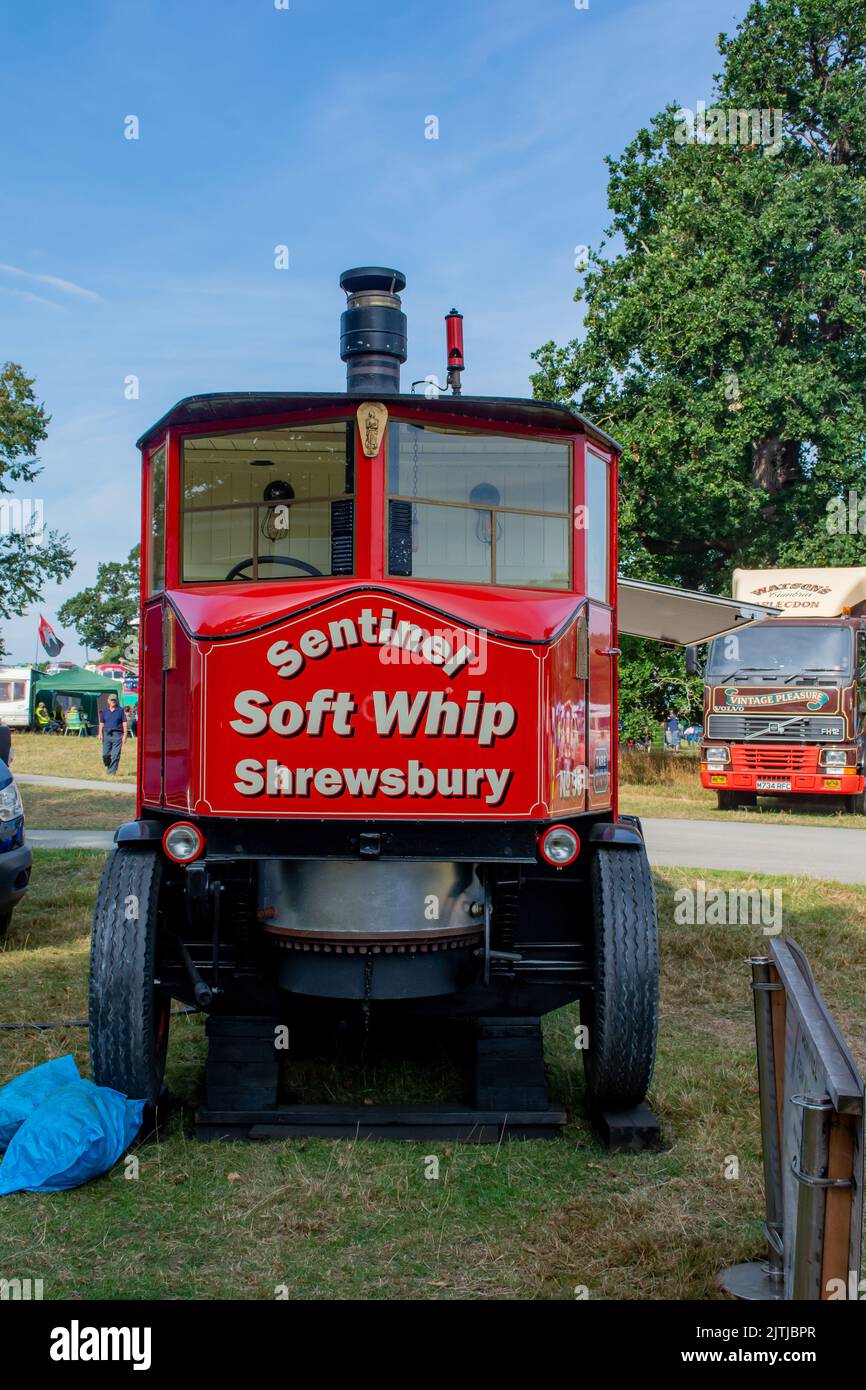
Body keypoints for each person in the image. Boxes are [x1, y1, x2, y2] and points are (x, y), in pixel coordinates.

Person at [98, 693, 127, 775]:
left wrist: (125, 735)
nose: (113, 701)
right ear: (108, 701)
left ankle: (111, 773)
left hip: (117, 734)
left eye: (114, 700)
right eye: (112, 700)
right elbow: (101, 722)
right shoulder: (104, 711)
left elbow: (124, 722)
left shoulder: (120, 710)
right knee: (105, 754)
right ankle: (108, 765)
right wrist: (100, 733)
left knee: (115, 755)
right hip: (106, 734)